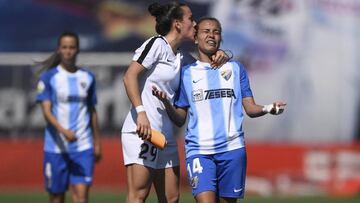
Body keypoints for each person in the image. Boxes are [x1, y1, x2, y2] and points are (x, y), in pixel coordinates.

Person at [152, 17, 286, 203]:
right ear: (196, 37)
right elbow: (180, 117)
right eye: (206, 31)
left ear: (220, 38)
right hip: (199, 150)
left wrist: (269, 108)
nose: (211, 35)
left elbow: (250, 108)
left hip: (233, 149)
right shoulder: (187, 72)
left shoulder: (236, 69)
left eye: (216, 32)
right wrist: (167, 103)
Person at [121, 1, 229, 203]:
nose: (195, 24)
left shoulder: (184, 59)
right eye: (190, 19)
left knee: (172, 198)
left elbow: (208, 66)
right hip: (143, 131)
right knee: (138, 196)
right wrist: (141, 113)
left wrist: (222, 56)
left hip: (165, 137)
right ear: (178, 24)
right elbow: (129, 77)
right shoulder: (156, 44)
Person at [36, 32, 102, 203]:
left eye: (72, 47)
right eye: (64, 47)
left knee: (81, 197)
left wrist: (97, 143)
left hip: (83, 147)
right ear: (59, 50)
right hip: (56, 147)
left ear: (77, 49)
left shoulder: (87, 77)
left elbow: (92, 111)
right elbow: (46, 111)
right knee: (56, 198)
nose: (68, 51)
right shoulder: (48, 78)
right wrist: (63, 130)